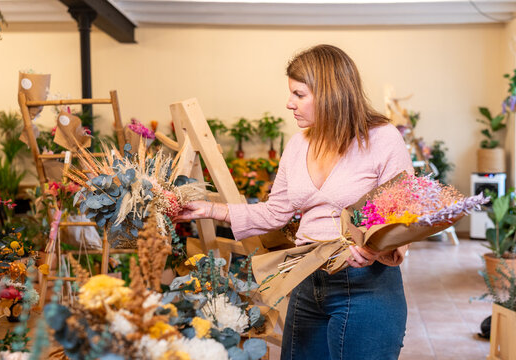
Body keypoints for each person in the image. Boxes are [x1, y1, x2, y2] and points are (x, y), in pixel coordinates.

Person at [174, 44, 413, 360]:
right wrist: (211, 209)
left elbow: (404, 217)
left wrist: (371, 249)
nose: (289, 104)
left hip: (365, 286)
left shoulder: (382, 138)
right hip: (306, 279)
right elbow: (276, 211)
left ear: (330, 93)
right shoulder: (299, 144)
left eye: (299, 94)